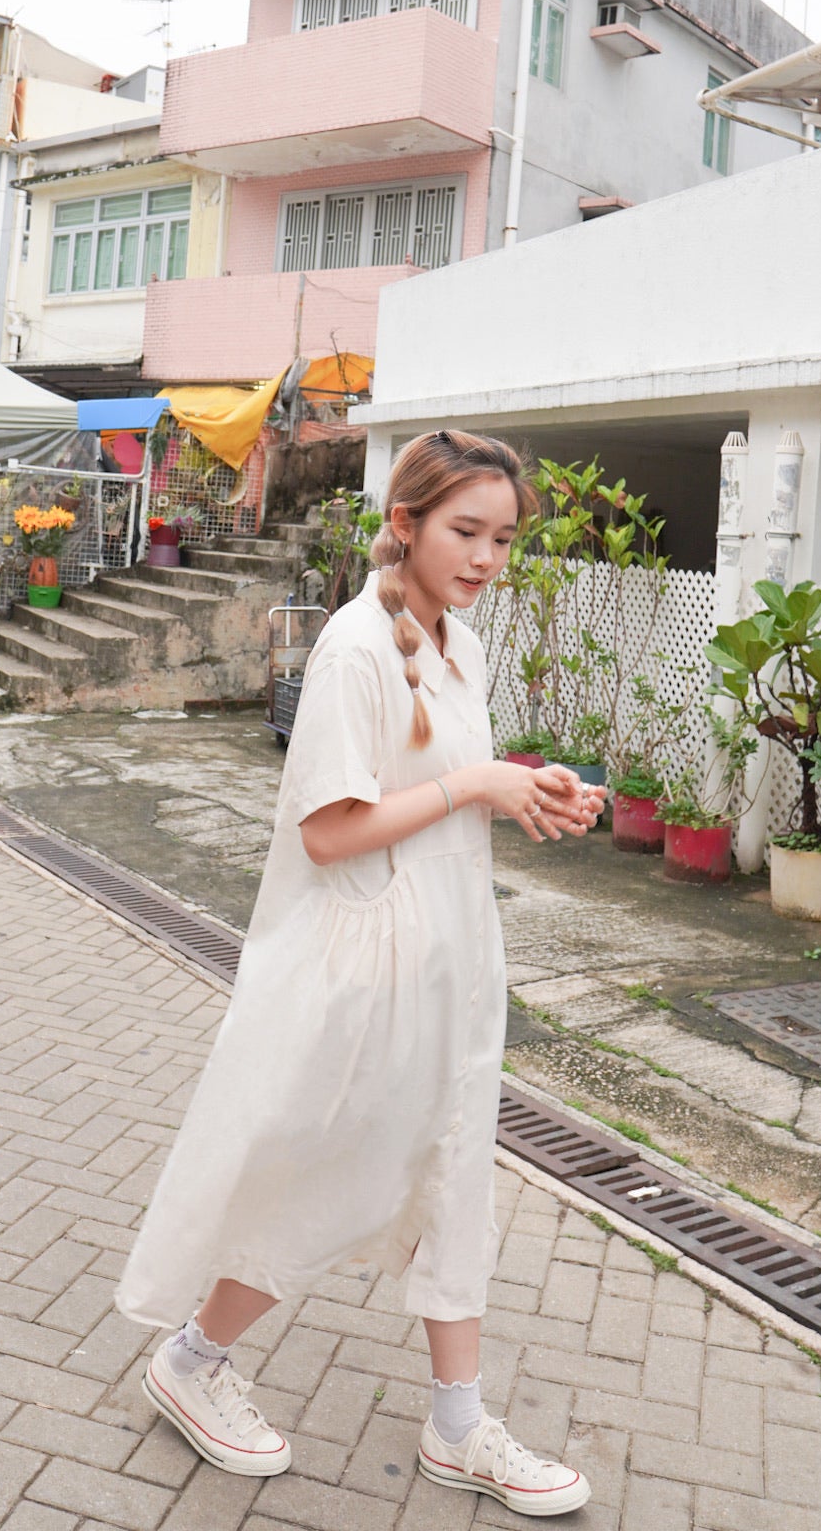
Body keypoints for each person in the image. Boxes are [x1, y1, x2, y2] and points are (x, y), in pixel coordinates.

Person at [114, 430, 606, 1516]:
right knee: (323, 1170)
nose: (486, 556)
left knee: (451, 1170)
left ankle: (460, 1420)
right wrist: (480, 782)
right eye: (465, 531)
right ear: (408, 522)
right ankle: (194, 1358)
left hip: (449, 956)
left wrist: (527, 786)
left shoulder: (457, 644)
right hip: (360, 963)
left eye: (503, 537)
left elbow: (448, 782)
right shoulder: (353, 648)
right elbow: (332, 831)